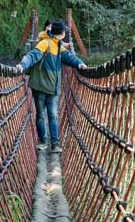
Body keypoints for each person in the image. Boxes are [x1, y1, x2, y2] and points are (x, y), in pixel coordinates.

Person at [17, 20, 85, 152]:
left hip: (53, 88)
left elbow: (69, 57)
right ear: (62, 33)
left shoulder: (59, 46)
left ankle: (54, 143)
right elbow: (32, 55)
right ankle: (42, 140)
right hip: (40, 86)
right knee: (41, 115)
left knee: (53, 115)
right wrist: (22, 65)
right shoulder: (45, 43)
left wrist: (79, 63)